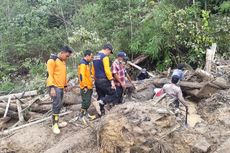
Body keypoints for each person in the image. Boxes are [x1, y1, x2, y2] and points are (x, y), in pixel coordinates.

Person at [46, 46, 73, 134]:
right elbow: (49, 75)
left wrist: (65, 86)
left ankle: (57, 122)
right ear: (62, 52)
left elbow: (63, 75)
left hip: (60, 87)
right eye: (66, 56)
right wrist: (52, 88)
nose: (67, 58)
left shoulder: (63, 62)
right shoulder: (52, 60)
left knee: (59, 105)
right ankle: (54, 125)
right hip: (54, 87)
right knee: (56, 105)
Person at [92, 44, 116, 116]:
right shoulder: (105, 57)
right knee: (113, 93)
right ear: (107, 49)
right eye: (109, 52)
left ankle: (101, 113)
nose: (109, 54)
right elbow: (107, 70)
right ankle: (99, 103)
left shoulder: (95, 57)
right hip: (104, 80)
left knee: (101, 96)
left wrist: (95, 78)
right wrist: (112, 81)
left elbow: (93, 70)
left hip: (97, 80)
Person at [77, 50, 96, 124]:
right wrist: (84, 86)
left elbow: (87, 75)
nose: (91, 58)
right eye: (91, 56)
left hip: (89, 86)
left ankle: (86, 115)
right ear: (87, 56)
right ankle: (81, 117)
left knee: (88, 102)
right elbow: (81, 76)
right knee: (85, 102)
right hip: (85, 87)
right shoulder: (82, 64)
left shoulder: (87, 64)